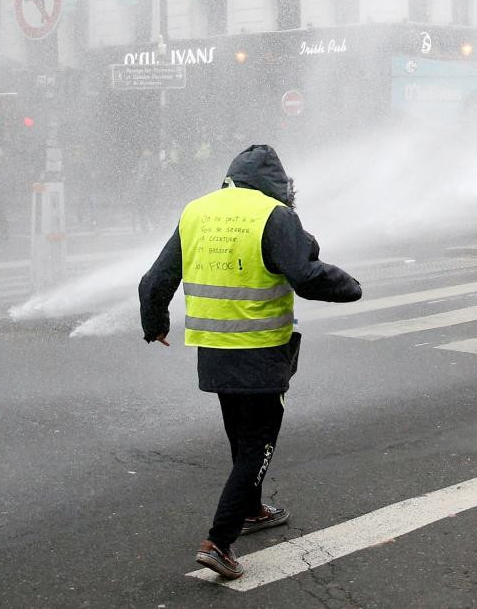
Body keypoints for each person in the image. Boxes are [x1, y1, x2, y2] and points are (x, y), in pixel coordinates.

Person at [138, 144, 361, 580]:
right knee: (257, 445)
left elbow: (154, 281)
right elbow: (307, 275)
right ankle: (219, 543)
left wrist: (155, 325)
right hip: (260, 352)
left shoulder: (196, 211)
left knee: (240, 438)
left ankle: (254, 508)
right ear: (275, 183)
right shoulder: (273, 215)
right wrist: (351, 286)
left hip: (214, 351)